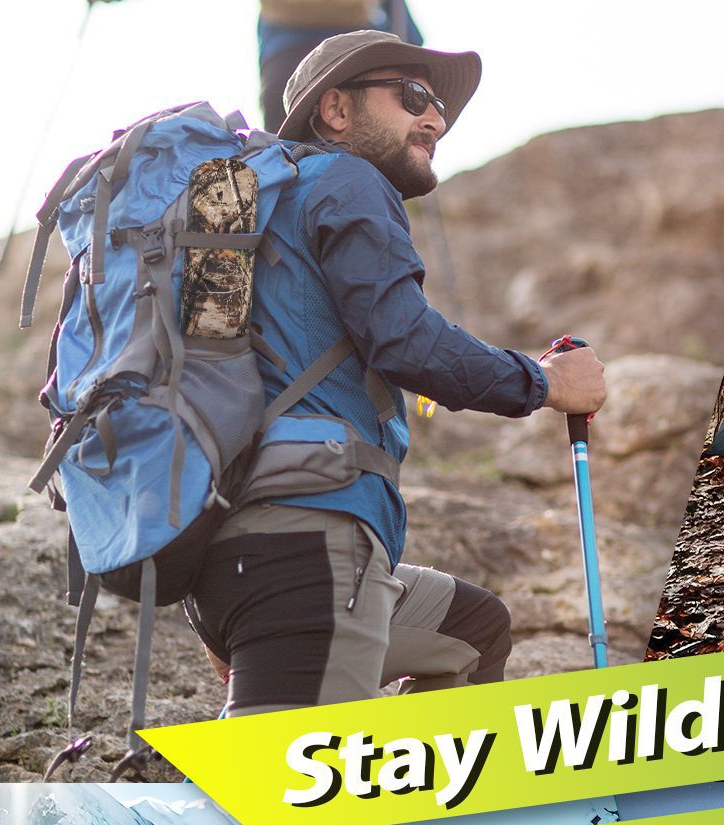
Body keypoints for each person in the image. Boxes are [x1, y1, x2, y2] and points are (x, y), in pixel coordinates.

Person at [187, 30, 607, 714]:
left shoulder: (246, 208)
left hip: (227, 559)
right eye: (411, 96)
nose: (435, 119)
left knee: (473, 632)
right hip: (308, 553)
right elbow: (405, 341)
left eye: (437, 105)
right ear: (337, 112)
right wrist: (545, 381)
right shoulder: (346, 179)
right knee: (287, 818)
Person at [257, 0, 423, 136]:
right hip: (355, 49)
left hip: (284, 51)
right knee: (366, 143)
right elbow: (409, 34)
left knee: (281, 144)